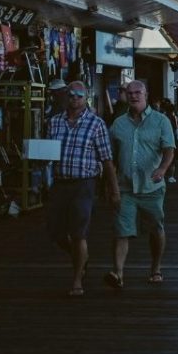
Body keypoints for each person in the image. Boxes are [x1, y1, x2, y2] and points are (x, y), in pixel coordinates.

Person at [46, 81, 119, 297]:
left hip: (84, 184)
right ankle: (81, 257)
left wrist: (113, 190)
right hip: (59, 183)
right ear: (65, 96)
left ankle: (77, 279)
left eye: (79, 95)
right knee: (56, 232)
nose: (74, 98)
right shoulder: (54, 122)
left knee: (79, 233)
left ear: (86, 97)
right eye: (71, 94)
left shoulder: (96, 124)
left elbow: (107, 160)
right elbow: (48, 152)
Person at [106, 80, 175, 287]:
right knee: (122, 230)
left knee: (155, 229)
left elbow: (169, 149)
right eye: (130, 93)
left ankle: (156, 267)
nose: (134, 96)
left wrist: (162, 169)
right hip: (125, 186)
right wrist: (110, 186)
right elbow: (110, 157)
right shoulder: (118, 124)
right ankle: (118, 273)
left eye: (138, 92)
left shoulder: (161, 121)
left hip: (151, 187)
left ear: (146, 94)